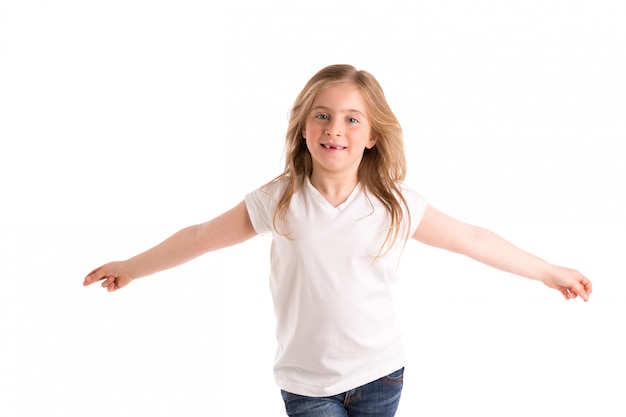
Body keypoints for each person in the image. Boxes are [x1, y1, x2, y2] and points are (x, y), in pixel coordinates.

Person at [83, 64, 592, 417]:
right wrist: (131, 265)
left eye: (352, 119)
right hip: (308, 386)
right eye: (322, 115)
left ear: (372, 135)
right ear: (304, 127)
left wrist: (549, 272)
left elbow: (473, 240)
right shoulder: (278, 200)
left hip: (381, 375)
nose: (335, 129)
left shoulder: (395, 202)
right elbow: (199, 238)